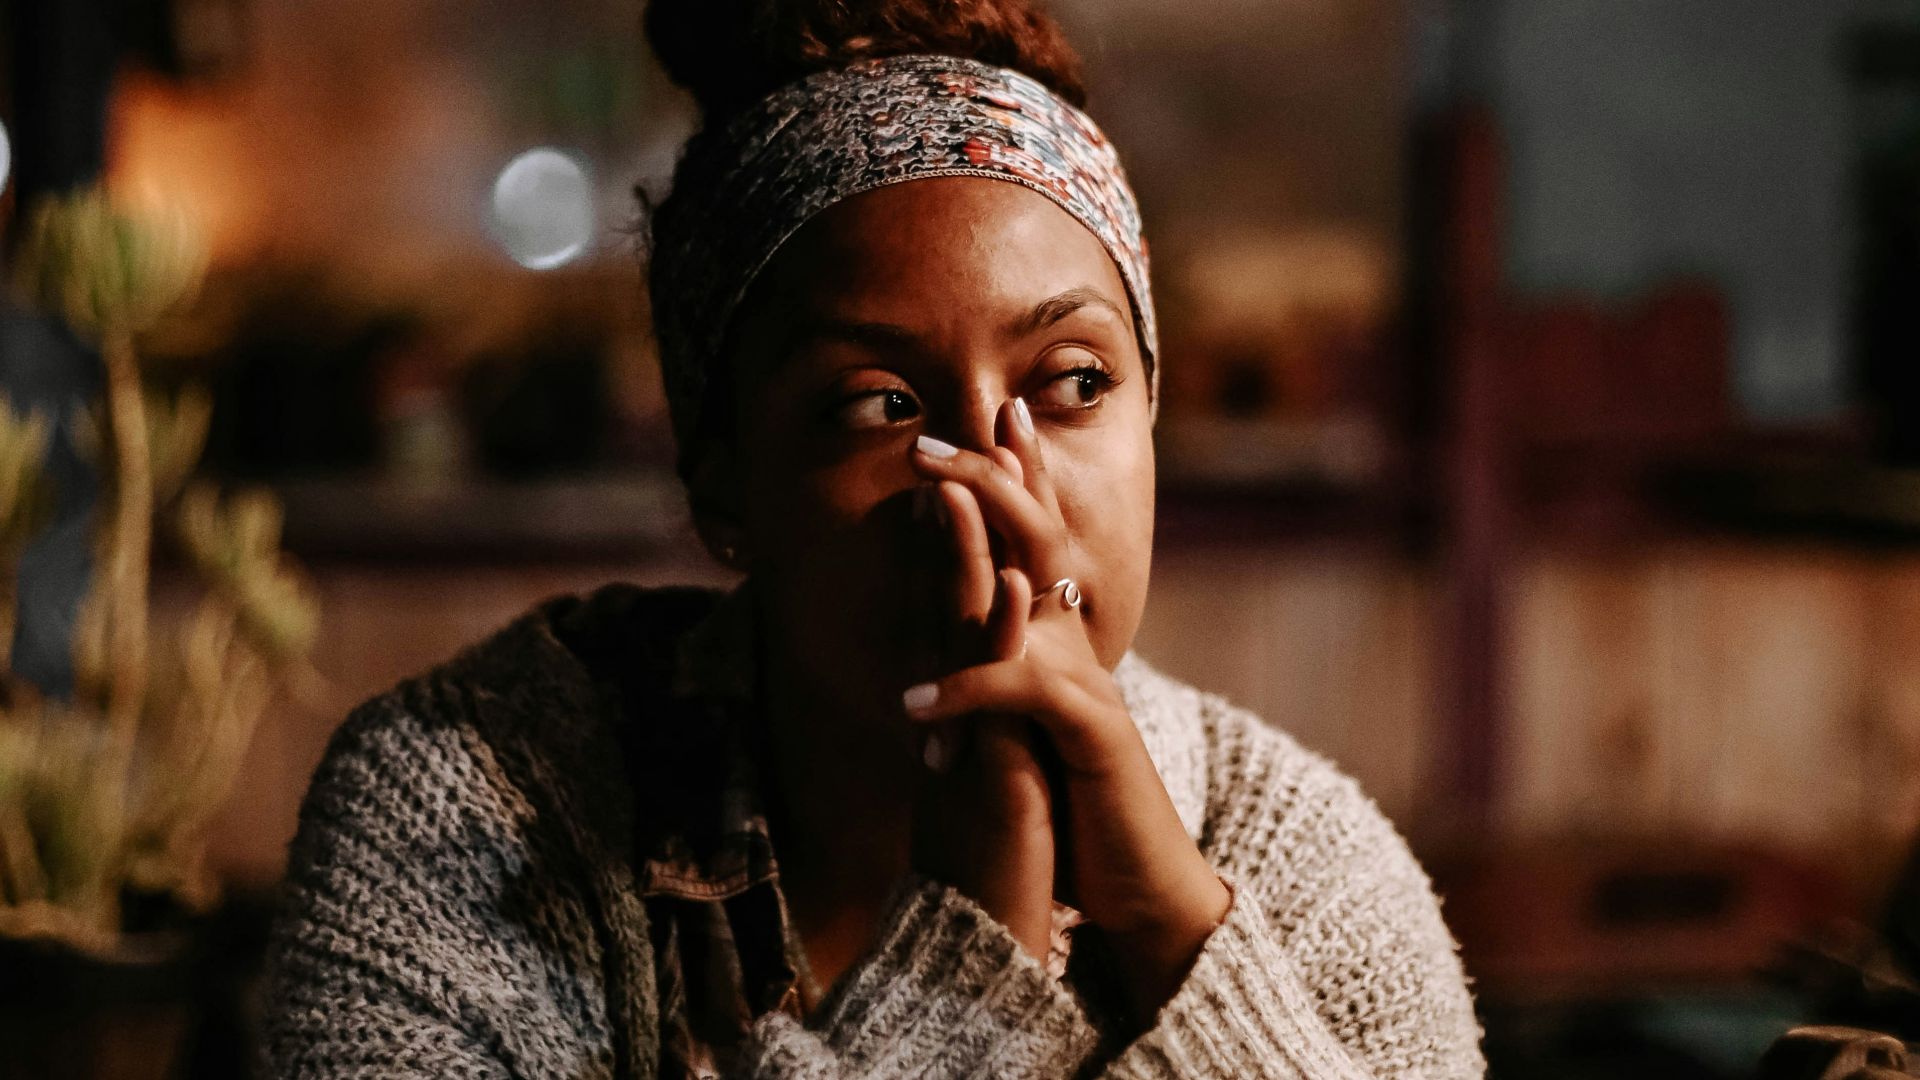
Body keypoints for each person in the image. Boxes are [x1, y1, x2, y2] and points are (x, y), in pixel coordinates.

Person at [259, 1, 1486, 1076]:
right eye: (881, 406)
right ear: (723, 478)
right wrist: (970, 958)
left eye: (1073, 382)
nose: (997, 488)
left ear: (1152, 411)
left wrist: (1175, 928)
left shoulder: (1296, 861)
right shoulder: (467, 814)